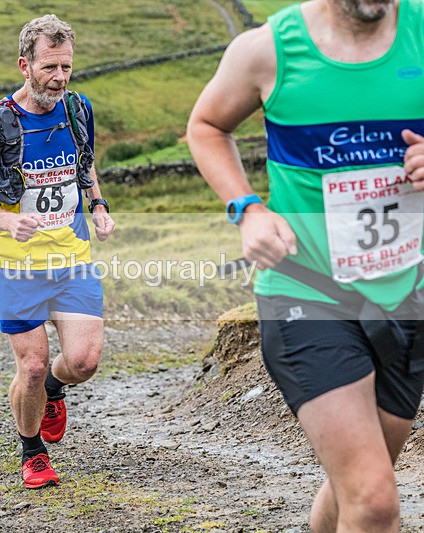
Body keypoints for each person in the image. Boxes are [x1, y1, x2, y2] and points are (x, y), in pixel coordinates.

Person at [187, 0, 424, 530]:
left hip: (406, 293)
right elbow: (205, 126)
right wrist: (248, 209)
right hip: (307, 290)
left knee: (358, 486)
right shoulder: (268, 50)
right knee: (374, 499)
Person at [0, 14, 115, 489]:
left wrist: (98, 206)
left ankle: (54, 389)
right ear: (24, 66)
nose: (59, 78)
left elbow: (85, 166)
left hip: (71, 259)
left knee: (83, 362)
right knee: (31, 365)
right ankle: (32, 452)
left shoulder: (78, 109)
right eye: (49, 67)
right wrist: (8, 220)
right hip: (15, 265)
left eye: (66, 67)